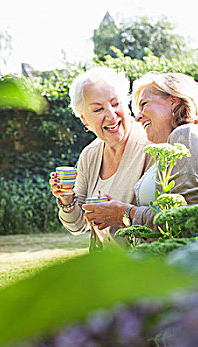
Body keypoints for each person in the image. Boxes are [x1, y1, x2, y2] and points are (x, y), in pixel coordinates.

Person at [83, 71, 198, 230]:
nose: (138, 117)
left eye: (144, 104)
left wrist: (124, 213)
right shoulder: (176, 146)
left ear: (173, 101)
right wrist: (117, 215)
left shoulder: (187, 134)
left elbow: (187, 220)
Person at [49, 66, 154, 239]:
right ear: (84, 120)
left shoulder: (151, 145)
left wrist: (122, 214)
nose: (112, 116)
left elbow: (165, 219)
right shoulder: (89, 155)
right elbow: (78, 225)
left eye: (115, 104)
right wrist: (66, 200)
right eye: (98, 109)